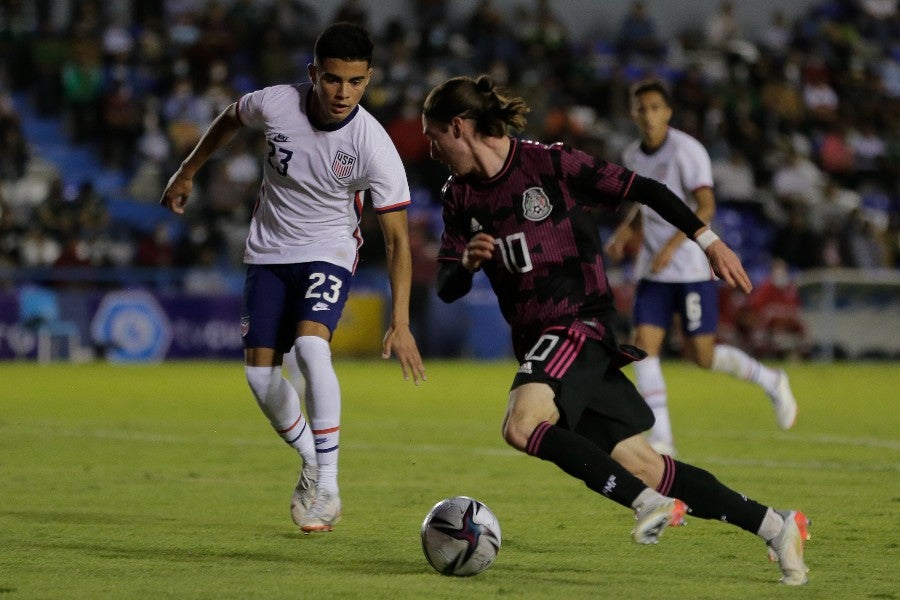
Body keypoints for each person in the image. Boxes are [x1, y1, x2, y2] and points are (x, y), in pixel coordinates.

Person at [422, 74, 810, 585]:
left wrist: (708, 240)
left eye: (435, 138)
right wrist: (469, 264)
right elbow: (446, 284)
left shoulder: (550, 164)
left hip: (578, 322)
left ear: (459, 126)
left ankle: (645, 504)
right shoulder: (459, 197)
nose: (432, 152)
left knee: (520, 425)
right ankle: (775, 525)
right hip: (542, 343)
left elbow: (644, 189)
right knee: (648, 465)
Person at [160, 22, 426, 533]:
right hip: (268, 251)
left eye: (355, 82)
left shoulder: (374, 143)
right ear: (313, 74)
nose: (343, 92)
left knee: (310, 348)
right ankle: (311, 461)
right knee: (259, 377)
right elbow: (229, 119)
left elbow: (396, 241)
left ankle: (328, 481)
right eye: (332, 80)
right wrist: (188, 170)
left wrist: (402, 319)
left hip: (328, 249)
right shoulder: (276, 103)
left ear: (369, 79)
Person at [606, 79, 797, 456]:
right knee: (645, 347)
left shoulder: (687, 151)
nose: (648, 115)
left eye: (655, 108)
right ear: (633, 113)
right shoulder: (632, 155)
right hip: (652, 270)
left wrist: (673, 246)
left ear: (668, 112)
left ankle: (772, 380)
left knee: (702, 356)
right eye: (641, 108)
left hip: (690, 267)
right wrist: (624, 232)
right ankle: (662, 438)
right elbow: (645, 203)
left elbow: (705, 206)